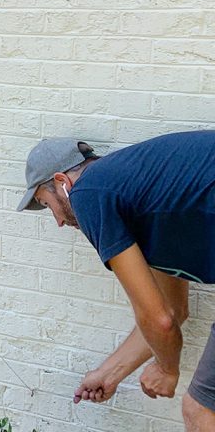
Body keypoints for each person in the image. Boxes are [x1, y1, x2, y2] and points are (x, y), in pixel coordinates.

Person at [17, 131, 215, 432]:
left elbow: (159, 321)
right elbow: (171, 311)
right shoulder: (139, 193)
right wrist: (109, 373)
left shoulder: (88, 193)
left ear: (63, 182)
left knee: (201, 412)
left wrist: (167, 368)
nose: (58, 221)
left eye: (47, 205)